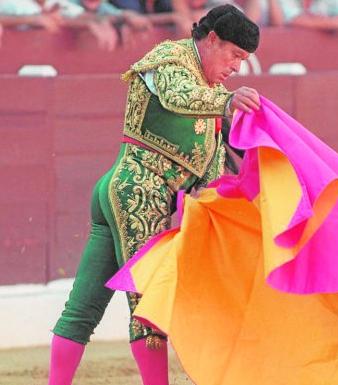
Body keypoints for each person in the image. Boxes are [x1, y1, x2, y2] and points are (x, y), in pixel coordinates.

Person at [46, 5, 260, 385]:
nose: (237, 68)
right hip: (137, 195)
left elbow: (209, 170)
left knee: (83, 309)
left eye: (244, 60)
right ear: (212, 40)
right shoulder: (170, 59)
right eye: (235, 55)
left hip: (128, 194)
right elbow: (179, 96)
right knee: (149, 307)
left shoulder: (212, 92)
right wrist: (226, 104)